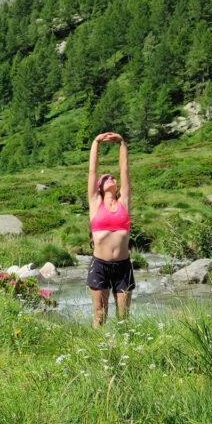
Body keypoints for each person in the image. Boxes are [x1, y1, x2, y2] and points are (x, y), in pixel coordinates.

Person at [86, 131, 133, 328]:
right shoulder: (96, 203)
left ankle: (124, 349)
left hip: (123, 266)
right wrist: (96, 142)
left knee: (123, 317)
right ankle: (97, 351)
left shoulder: (124, 202)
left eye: (112, 177)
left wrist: (122, 142)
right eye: (106, 178)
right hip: (100, 266)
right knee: (100, 314)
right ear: (99, 186)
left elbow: (124, 170)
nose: (111, 177)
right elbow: (92, 171)